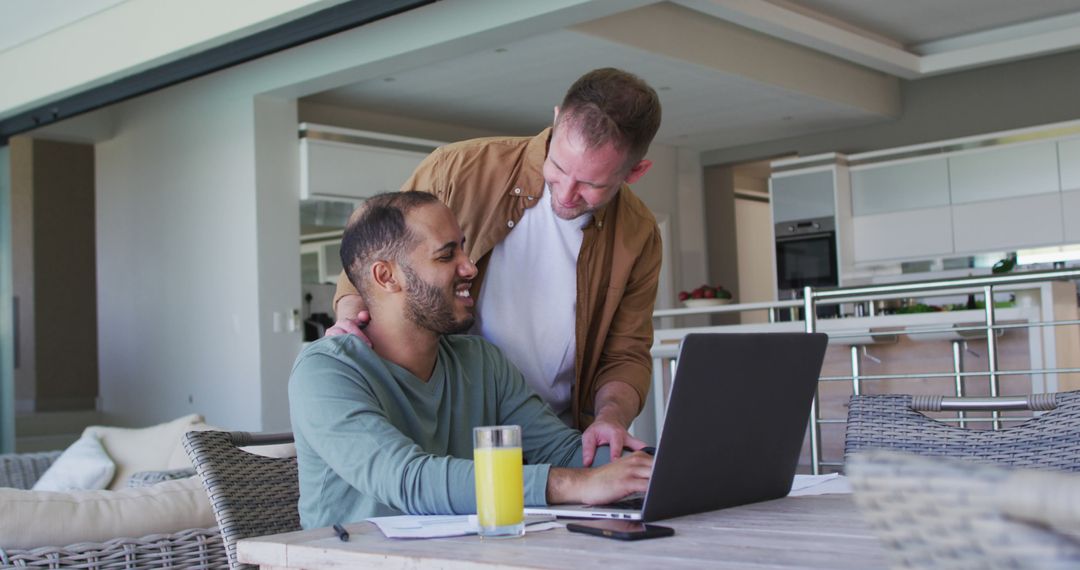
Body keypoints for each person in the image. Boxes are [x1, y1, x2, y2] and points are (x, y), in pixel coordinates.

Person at [328, 68, 663, 466]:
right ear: (556, 119)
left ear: (635, 173)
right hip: (442, 432)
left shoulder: (639, 234)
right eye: (558, 167)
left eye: (592, 185)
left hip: (551, 439)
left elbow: (626, 352)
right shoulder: (457, 168)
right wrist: (351, 320)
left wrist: (611, 417)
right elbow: (375, 248)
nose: (567, 193)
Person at [289, 192, 653, 529]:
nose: (470, 268)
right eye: (447, 255)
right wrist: (579, 485)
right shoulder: (326, 372)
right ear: (387, 277)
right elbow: (408, 480)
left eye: (463, 249)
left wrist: (652, 468)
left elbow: (563, 450)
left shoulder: (480, 360)